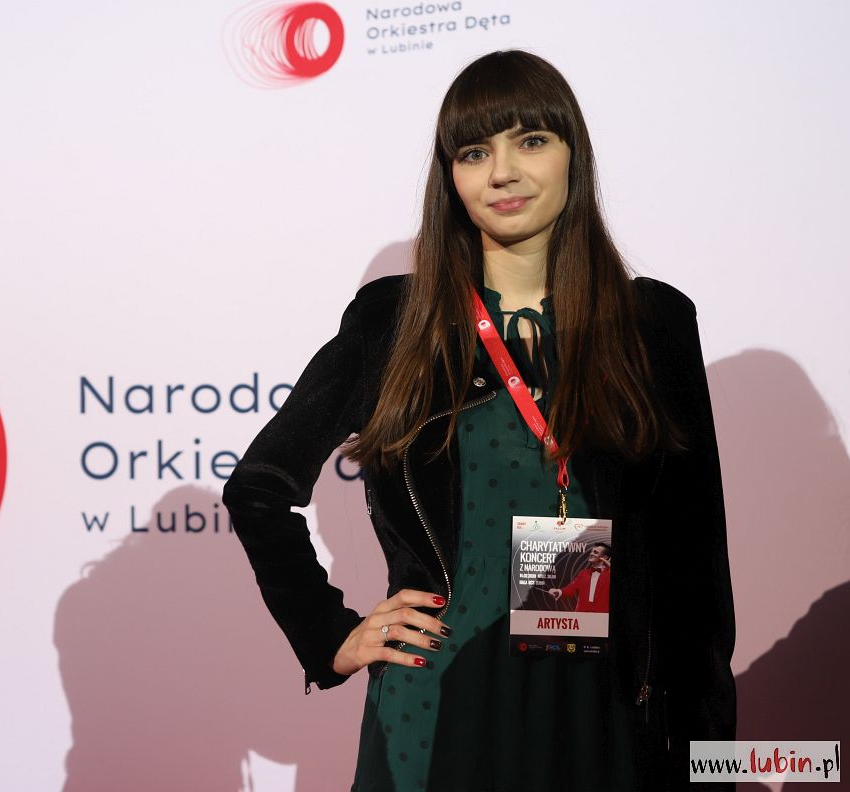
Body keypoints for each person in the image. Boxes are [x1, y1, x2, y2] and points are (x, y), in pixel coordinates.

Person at [222, 49, 735, 791]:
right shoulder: (395, 321)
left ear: (573, 154)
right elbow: (257, 490)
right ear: (451, 175)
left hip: (601, 713)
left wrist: (708, 758)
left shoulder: (652, 323)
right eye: (474, 152)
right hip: (436, 702)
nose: (503, 172)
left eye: (531, 140)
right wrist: (330, 635)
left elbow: (695, 576)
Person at [549, 542, 612, 613]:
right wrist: (559, 592)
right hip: (581, 614)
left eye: (595, 552)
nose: (591, 554)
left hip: (602, 616)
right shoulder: (583, 573)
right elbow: (571, 588)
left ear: (605, 557)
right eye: (591, 551)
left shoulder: (609, 573)